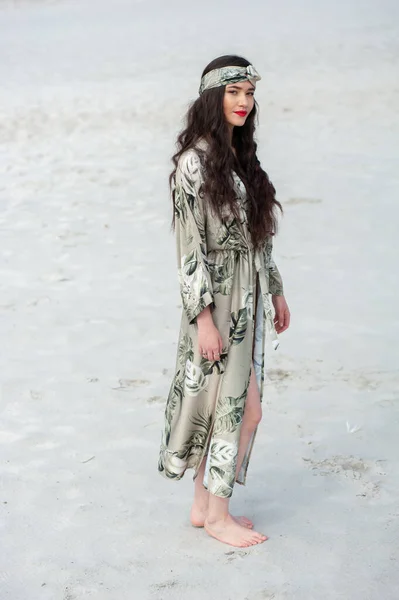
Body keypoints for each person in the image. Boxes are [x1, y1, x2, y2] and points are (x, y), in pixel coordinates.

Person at [158, 55, 290, 548]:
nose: (243, 102)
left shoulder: (241, 159)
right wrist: (204, 319)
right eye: (234, 92)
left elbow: (259, 238)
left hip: (248, 295)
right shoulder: (194, 163)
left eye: (249, 93)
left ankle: (202, 505)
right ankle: (218, 515)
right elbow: (189, 251)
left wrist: (274, 288)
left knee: (228, 407)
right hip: (217, 304)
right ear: (213, 97)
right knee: (238, 409)